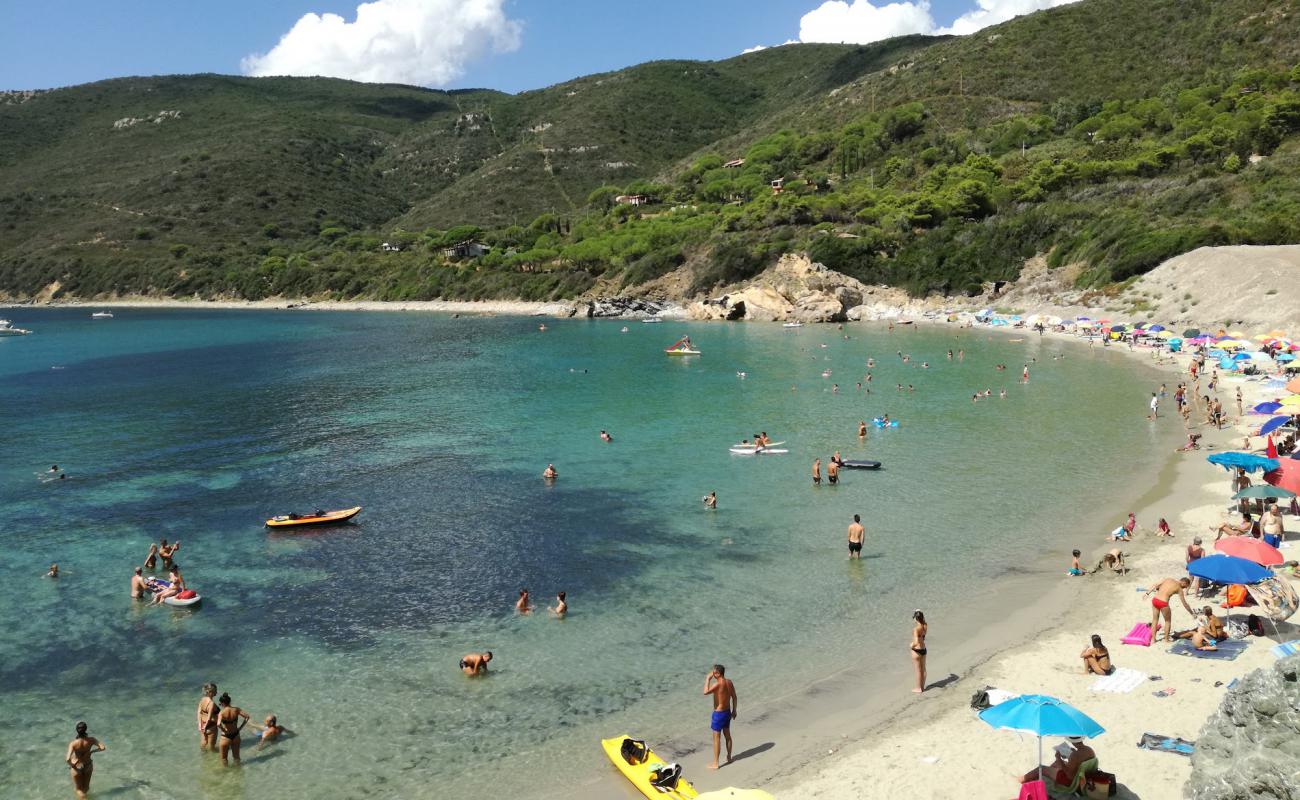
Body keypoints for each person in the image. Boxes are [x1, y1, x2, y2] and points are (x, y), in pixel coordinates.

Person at [1021, 737, 1096, 788]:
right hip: (1084, 778)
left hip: (1071, 782)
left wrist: (1059, 759)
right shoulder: (1090, 750)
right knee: (1056, 764)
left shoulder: (1075, 755)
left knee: (1041, 768)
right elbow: (1079, 761)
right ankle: (1049, 774)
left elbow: (1069, 775)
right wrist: (1071, 755)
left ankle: (1022, 779)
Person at [703, 664, 737, 769]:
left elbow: (705, 692)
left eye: (713, 672)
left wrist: (707, 679)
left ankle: (716, 763)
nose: (712, 674)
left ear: (718, 673)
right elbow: (734, 697)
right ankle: (729, 757)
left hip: (718, 714)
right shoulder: (729, 682)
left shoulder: (717, 684)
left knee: (716, 739)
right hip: (727, 712)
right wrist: (734, 710)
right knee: (727, 736)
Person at [1145, 577, 1194, 643]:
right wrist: (1192, 613)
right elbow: (1184, 604)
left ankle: (1153, 639)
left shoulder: (1168, 579)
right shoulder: (1179, 589)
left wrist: (1147, 593)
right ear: (1183, 583)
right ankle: (1166, 640)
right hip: (1163, 603)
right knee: (1167, 621)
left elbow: (1155, 585)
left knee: (1154, 620)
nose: (1184, 588)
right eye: (1185, 586)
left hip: (1155, 600)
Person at [65, 721, 105, 800]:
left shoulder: (73, 743)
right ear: (85, 729)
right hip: (88, 765)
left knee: (78, 790)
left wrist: (73, 765)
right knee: (86, 788)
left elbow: (67, 759)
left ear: (77, 730)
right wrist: (92, 751)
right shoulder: (91, 740)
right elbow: (102, 748)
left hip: (77, 767)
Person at [216, 692, 250, 766]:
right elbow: (247, 717)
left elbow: (218, 724)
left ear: (222, 703)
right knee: (236, 757)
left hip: (226, 737)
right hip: (236, 735)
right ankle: (237, 772)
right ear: (229, 701)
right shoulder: (236, 709)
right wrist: (240, 728)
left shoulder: (221, 713)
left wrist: (223, 730)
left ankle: (227, 774)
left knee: (224, 758)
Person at [197, 683, 220, 751]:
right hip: (211, 727)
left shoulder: (202, 699)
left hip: (203, 725)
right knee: (211, 748)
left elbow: (199, 713)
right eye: (215, 691)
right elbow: (209, 718)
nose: (216, 692)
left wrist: (200, 725)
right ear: (210, 692)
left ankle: (203, 758)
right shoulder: (211, 703)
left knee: (203, 745)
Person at [910, 610, 928, 693]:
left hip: (917, 650)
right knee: (923, 669)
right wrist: (918, 612)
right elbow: (923, 637)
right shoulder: (925, 625)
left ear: (915, 619)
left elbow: (916, 642)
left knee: (918, 670)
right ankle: (922, 687)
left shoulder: (916, 629)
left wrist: (911, 645)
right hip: (923, 649)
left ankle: (918, 688)